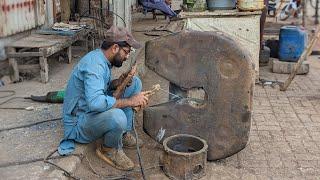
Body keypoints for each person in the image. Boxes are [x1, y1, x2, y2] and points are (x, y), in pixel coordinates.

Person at [58, 26, 149, 171]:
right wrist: (132, 101)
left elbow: (101, 89)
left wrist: (117, 83)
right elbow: (96, 103)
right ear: (114, 48)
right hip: (79, 123)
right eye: (126, 52)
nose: (127, 57)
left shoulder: (102, 59)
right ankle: (109, 149)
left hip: (89, 110)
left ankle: (122, 133)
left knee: (134, 83)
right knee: (118, 117)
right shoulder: (95, 65)